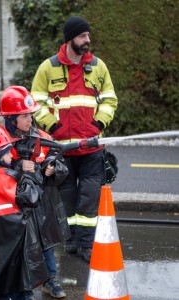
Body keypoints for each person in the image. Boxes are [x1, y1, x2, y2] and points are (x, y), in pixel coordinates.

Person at [31, 16, 118, 263]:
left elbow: (110, 100)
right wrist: (54, 126)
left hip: (91, 148)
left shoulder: (99, 67)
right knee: (66, 198)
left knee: (90, 198)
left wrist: (98, 124)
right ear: (70, 39)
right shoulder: (48, 68)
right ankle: (70, 240)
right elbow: (35, 102)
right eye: (82, 36)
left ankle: (87, 245)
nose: (87, 40)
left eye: (88, 36)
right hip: (62, 148)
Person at [0, 86, 70, 299]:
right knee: (20, 247)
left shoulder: (42, 137)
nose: (29, 120)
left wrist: (52, 167)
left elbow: (57, 158)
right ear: (11, 119)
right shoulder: (1, 141)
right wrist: (18, 166)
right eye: (24, 116)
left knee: (45, 242)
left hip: (40, 203)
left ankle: (51, 280)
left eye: (30, 115)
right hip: (16, 205)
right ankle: (19, 285)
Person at [0, 123, 49, 300]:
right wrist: (23, 175)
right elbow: (32, 197)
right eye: (6, 151)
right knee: (14, 288)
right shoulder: (6, 177)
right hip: (11, 248)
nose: (10, 155)